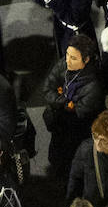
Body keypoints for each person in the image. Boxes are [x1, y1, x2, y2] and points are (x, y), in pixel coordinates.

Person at [43, 35, 104, 175]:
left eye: (73, 58)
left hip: (77, 131)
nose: (67, 61)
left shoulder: (93, 86)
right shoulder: (64, 65)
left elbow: (78, 114)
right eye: (67, 55)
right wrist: (64, 101)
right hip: (59, 125)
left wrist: (58, 98)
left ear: (86, 59)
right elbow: (47, 87)